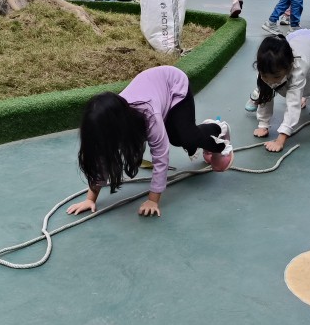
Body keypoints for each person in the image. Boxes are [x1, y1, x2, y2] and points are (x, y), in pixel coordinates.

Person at [66, 66, 234, 219]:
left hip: (173, 84)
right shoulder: (107, 126)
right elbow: (101, 158)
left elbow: (161, 156)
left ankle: (219, 133)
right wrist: (90, 199)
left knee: (186, 139)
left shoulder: (149, 116)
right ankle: (203, 136)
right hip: (154, 91)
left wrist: (153, 200)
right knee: (178, 137)